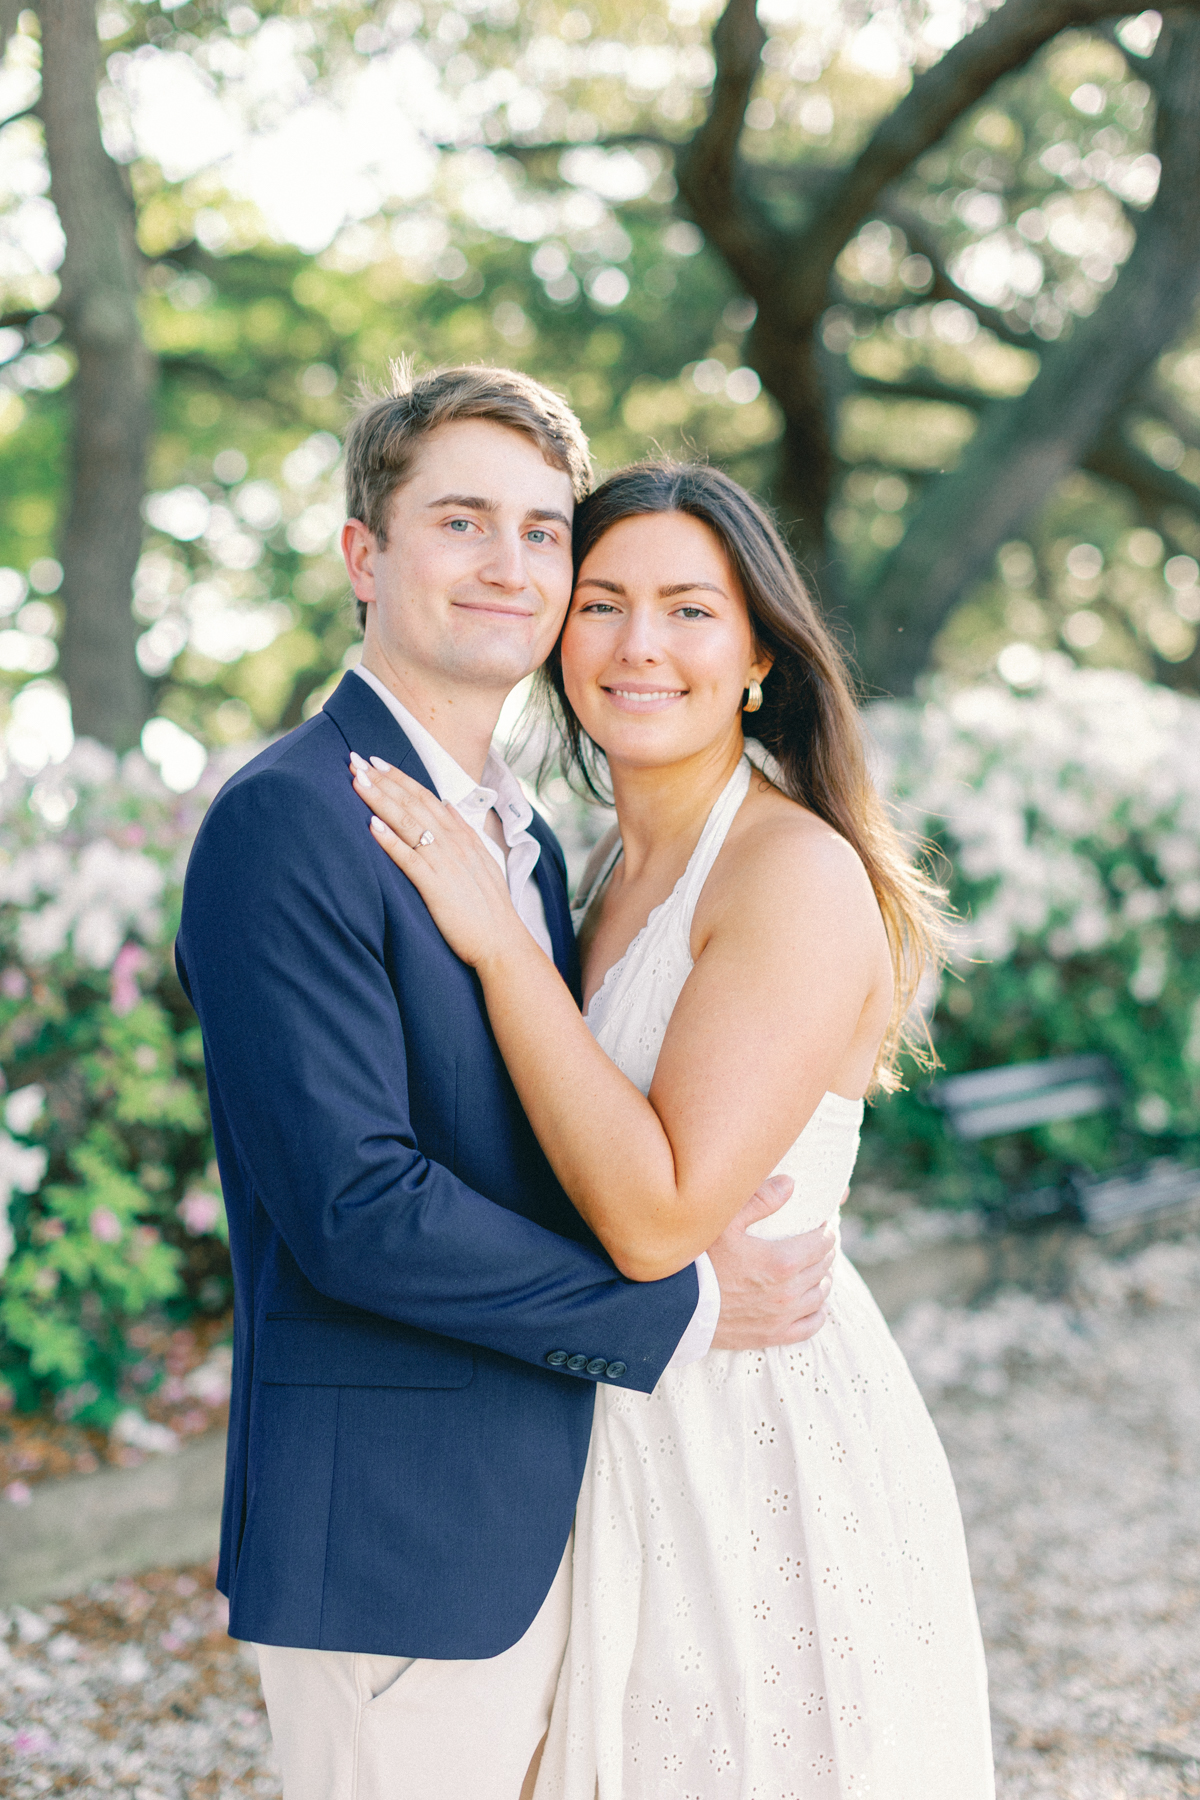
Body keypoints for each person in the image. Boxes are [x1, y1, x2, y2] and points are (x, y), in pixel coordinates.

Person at [175, 367, 839, 1800]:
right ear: (366, 556)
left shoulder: (533, 847)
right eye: (462, 521)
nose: (511, 565)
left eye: (545, 531)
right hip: (399, 1538)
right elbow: (355, 1206)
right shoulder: (290, 818)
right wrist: (680, 1302)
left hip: (576, 1508)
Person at [351, 458, 996, 1796]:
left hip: (746, 1441)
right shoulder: (593, 866)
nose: (640, 644)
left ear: (759, 648)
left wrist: (494, 950)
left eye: (690, 609)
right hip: (597, 1413)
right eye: (602, 603)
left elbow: (654, 1217)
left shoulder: (789, 872)